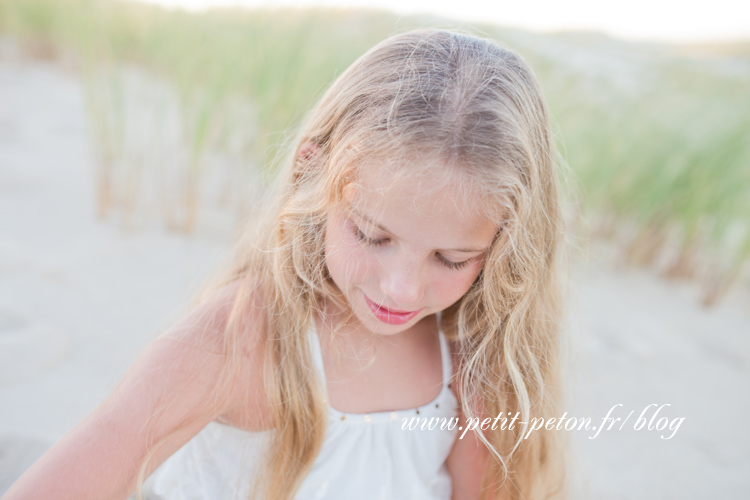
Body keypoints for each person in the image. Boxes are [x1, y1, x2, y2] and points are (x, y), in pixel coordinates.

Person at [2, 29, 567, 500]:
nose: (401, 288)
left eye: (451, 258)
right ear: (312, 171)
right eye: (371, 235)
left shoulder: (476, 362)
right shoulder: (240, 342)